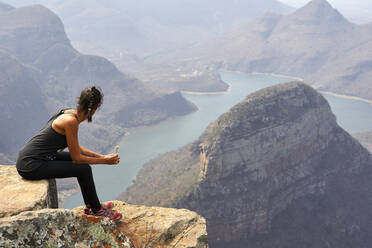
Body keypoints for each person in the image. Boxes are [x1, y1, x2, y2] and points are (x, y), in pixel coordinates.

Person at [16, 86, 122, 221]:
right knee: (83, 169)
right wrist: (105, 161)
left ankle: (92, 206)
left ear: (80, 102)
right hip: (31, 165)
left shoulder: (66, 113)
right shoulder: (71, 122)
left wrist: (102, 156)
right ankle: (97, 210)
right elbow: (77, 158)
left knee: (84, 168)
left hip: (36, 157)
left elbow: (76, 148)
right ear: (94, 109)